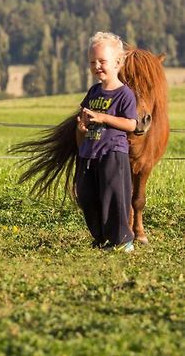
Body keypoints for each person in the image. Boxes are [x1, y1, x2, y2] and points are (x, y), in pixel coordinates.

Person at [76, 32, 138, 252]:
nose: (97, 66)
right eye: (93, 62)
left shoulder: (125, 95)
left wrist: (103, 117)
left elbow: (131, 124)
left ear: (118, 62)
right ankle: (102, 238)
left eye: (102, 61)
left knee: (114, 198)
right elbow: (82, 120)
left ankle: (122, 240)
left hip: (112, 153)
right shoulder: (93, 91)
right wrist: (81, 130)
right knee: (86, 196)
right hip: (89, 153)